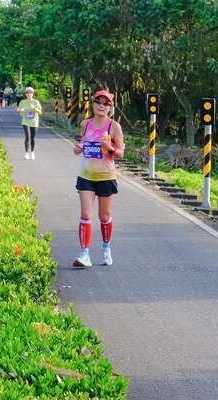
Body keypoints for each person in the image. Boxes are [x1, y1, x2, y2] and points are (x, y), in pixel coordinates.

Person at [71, 89, 124, 268]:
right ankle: (84, 254)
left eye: (105, 103)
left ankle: (106, 247)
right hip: (86, 176)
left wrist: (109, 147)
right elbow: (83, 144)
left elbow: (121, 153)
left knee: (104, 216)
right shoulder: (85, 124)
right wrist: (78, 148)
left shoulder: (114, 127)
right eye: (98, 102)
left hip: (106, 177)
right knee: (86, 214)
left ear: (110, 107)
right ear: (93, 104)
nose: (101, 106)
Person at [17, 87, 42, 160]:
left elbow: (40, 112)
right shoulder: (22, 102)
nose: (28, 94)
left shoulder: (36, 102)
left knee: (32, 138)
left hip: (34, 122)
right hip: (25, 121)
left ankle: (32, 152)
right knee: (27, 137)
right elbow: (21, 114)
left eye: (30, 92)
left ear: (33, 94)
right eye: (27, 92)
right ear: (25, 94)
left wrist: (35, 109)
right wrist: (21, 111)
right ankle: (26, 153)